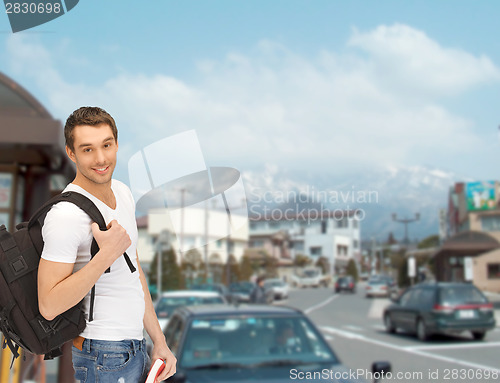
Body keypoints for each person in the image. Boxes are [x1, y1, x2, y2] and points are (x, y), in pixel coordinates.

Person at [37, 107, 176, 383]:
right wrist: (106, 255)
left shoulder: (123, 193)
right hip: (101, 353)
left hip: (135, 347)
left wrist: (158, 341)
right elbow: (49, 304)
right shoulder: (66, 215)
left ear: (116, 145)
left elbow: (134, 272)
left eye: (107, 145)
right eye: (87, 149)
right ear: (71, 153)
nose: (101, 158)